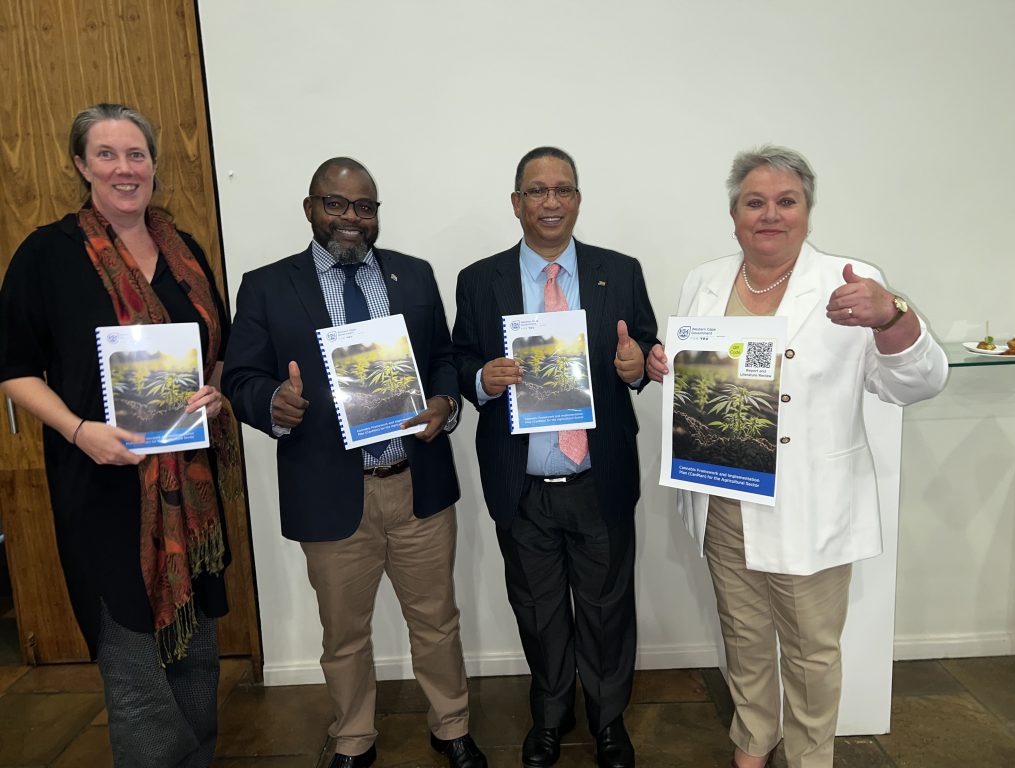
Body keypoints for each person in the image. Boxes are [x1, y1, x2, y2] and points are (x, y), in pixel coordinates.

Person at [646, 145, 948, 768]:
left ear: (808, 211)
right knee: (744, 635)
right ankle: (754, 739)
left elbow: (916, 383)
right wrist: (665, 369)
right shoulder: (705, 281)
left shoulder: (849, 281)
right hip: (723, 494)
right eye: (754, 202)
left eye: (787, 201)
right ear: (734, 214)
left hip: (808, 502)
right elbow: (708, 381)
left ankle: (812, 755)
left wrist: (891, 316)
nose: (770, 215)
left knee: (811, 651)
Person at [222, 157, 486, 768]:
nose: (350, 218)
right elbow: (241, 377)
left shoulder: (414, 276)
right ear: (310, 207)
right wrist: (271, 403)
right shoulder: (267, 285)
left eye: (364, 207)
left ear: (376, 215)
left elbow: (444, 357)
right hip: (331, 492)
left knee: (437, 621)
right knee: (343, 633)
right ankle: (353, 736)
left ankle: (451, 726)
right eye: (336, 204)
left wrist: (445, 402)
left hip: (415, 483)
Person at [0, 103, 235, 767]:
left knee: (198, 664)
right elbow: (14, 366)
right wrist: (79, 431)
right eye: (107, 154)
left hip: (190, 498)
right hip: (101, 490)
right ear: (81, 165)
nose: (124, 169)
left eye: (136, 154)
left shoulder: (185, 254)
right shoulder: (49, 256)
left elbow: (214, 347)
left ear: (155, 165)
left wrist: (213, 391)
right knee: (136, 679)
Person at [451, 147, 659, 768]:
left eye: (562, 190)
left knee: (605, 611)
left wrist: (635, 365)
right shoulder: (478, 279)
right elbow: (459, 359)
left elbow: (644, 346)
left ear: (577, 200)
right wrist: (482, 378)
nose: (550, 202)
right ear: (516, 203)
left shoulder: (618, 272)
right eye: (536, 191)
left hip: (600, 476)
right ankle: (550, 715)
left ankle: (608, 721)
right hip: (524, 482)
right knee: (538, 613)